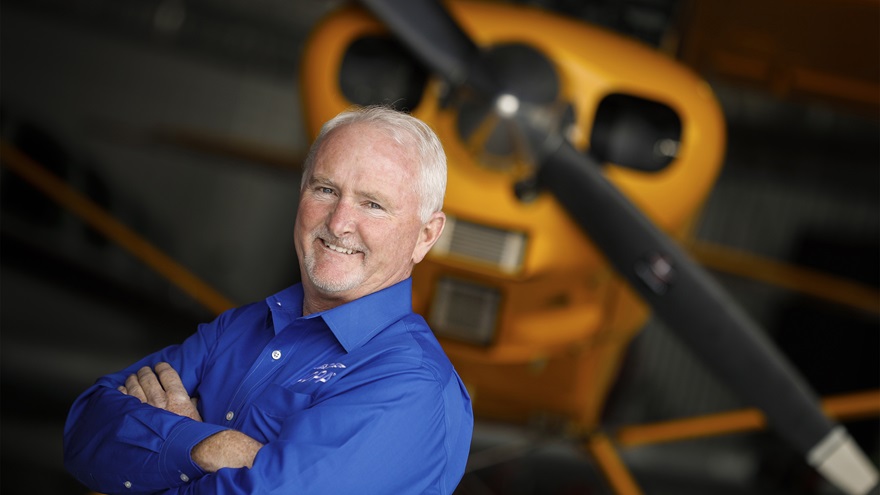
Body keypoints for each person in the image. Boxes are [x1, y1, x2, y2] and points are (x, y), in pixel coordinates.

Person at [63, 105, 474, 494]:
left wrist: (158, 453)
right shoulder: (239, 327)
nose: (340, 222)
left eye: (373, 204)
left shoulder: (412, 387)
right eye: (326, 189)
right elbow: (86, 427)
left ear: (426, 235)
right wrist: (211, 446)